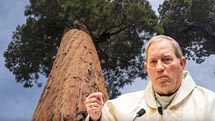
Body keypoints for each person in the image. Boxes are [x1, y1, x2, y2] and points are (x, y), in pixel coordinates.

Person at [85, 35, 215, 121]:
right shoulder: (125, 107)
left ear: (181, 64)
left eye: (166, 59)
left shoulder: (209, 103)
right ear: (146, 68)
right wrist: (96, 117)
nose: (159, 68)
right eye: (153, 62)